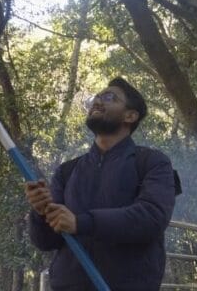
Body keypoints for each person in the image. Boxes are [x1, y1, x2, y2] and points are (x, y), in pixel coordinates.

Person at [26, 77, 176, 291]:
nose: (97, 101)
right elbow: (45, 242)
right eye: (96, 97)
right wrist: (40, 213)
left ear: (130, 116)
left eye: (109, 97)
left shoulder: (152, 162)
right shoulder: (67, 171)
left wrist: (82, 222)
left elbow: (151, 217)